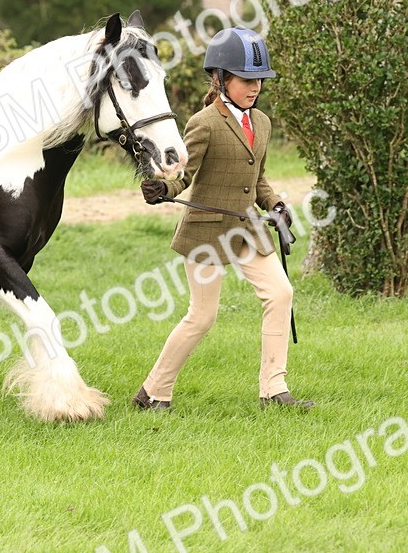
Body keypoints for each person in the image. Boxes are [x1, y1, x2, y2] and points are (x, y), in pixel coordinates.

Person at [133, 27, 315, 412]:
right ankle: (153, 392)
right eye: (247, 80)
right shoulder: (204, 122)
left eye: (259, 80)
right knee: (201, 317)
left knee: (281, 294)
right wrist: (164, 190)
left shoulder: (261, 122)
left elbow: (258, 177)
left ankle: (274, 390)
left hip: (248, 227)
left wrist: (276, 204)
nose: (255, 88)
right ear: (220, 79)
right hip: (206, 230)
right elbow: (185, 174)